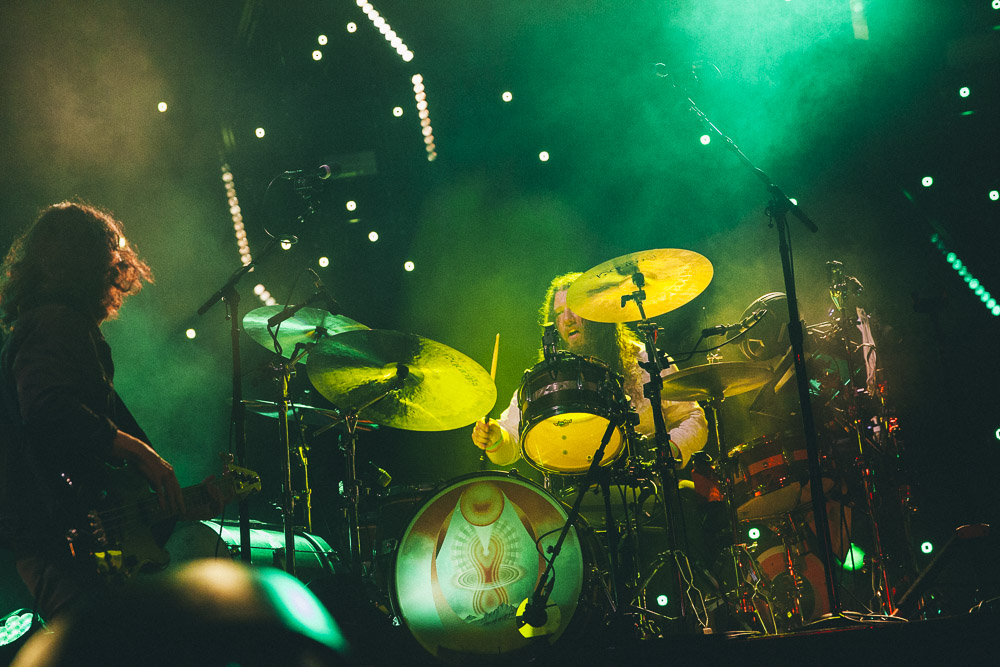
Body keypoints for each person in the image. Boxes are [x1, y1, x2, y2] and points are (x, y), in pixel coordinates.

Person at [0, 201, 220, 621]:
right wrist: (141, 453)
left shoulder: (56, 322)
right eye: (110, 260)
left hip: (78, 533)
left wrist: (176, 505)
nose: (119, 272)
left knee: (114, 637)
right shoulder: (53, 322)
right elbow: (47, 410)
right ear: (82, 264)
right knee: (93, 645)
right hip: (58, 535)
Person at [472, 272, 708, 469]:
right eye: (558, 313)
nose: (567, 320)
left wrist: (670, 449)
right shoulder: (551, 375)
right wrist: (494, 438)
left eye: (575, 308)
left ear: (598, 310)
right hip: (578, 495)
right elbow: (511, 442)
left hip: (646, 484)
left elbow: (693, 418)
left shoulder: (646, 360)